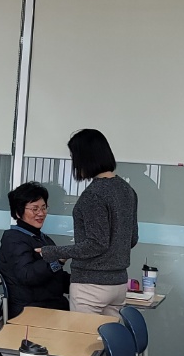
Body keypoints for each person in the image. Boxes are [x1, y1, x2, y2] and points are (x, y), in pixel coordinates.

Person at [39, 129, 138, 316]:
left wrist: (53, 252)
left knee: (82, 335)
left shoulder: (93, 195)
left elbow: (96, 244)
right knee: (110, 335)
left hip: (91, 286)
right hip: (118, 284)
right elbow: (131, 239)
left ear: (84, 157)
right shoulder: (127, 190)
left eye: (73, 157)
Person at [0, 181, 69, 324]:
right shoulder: (13, 239)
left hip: (50, 307)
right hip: (29, 312)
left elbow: (56, 277)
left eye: (43, 208)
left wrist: (85, 281)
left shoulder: (42, 238)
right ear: (18, 212)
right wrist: (57, 261)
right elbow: (27, 275)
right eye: (34, 209)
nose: (41, 213)